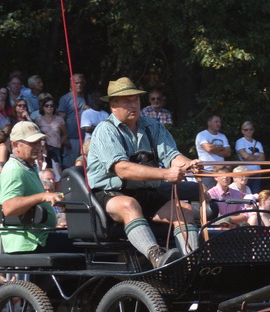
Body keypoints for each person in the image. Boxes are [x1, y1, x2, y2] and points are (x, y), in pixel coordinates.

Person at [85, 76, 202, 267]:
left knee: (185, 210)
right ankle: (156, 256)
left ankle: (190, 262)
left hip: (146, 193)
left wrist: (189, 164)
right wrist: (166, 174)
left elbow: (172, 155)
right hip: (112, 194)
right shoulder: (105, 131)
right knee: (129, 204)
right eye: (127, 101)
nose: (133, 105)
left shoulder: (152, 126)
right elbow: (122, 169)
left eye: (136, 100)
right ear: (113, 106)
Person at [0, 121, 70, 254]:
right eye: (32, 142)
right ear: (16, 145)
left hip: (38, 238)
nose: (38, 146)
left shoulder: (28, 167)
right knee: (86, 245)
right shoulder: (14, 170)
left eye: (40, 141)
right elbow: (9, 207)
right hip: (29, 242)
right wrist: (43, 196)